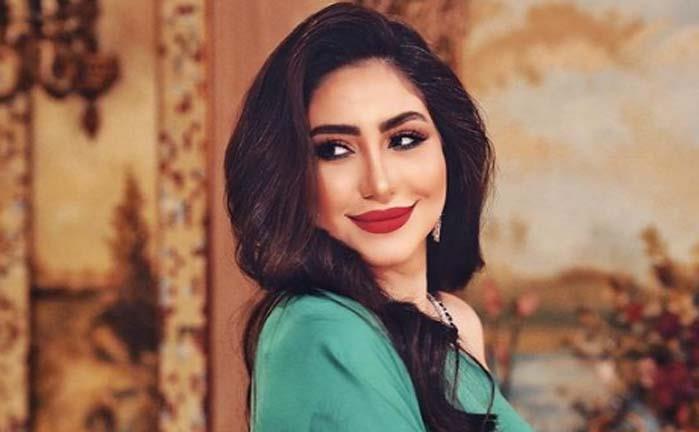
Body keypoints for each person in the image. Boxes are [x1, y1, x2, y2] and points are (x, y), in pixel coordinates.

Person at [224, 3, 535, 431]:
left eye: (404, 139)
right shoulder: (322, 330)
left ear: (448, 152)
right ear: (291, 177)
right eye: (334, 149)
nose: (380, 183)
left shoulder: (453, 319)